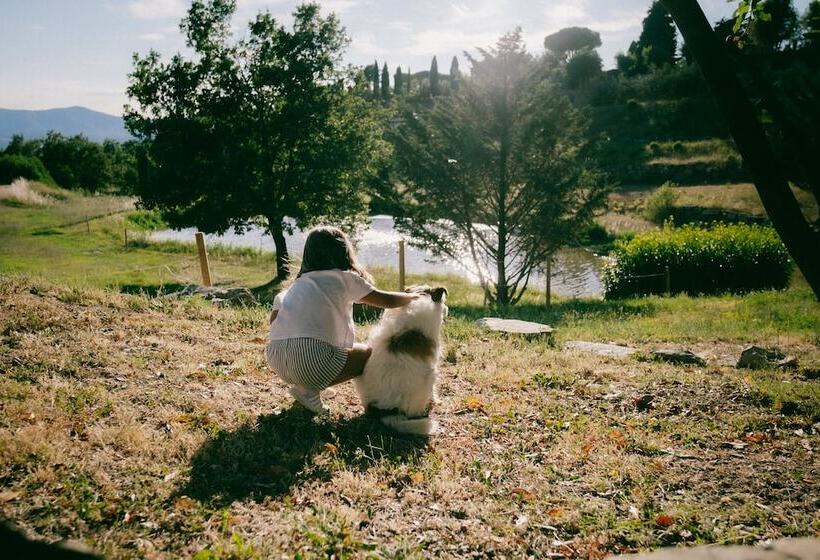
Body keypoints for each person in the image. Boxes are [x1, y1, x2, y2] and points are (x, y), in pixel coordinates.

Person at [266, 226, 418, 414]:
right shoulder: (344, 278)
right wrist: (413, 297)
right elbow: (386, 300)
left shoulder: (294, 286)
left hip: (276, 358)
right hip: (308, 361)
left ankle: (310, 381)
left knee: (320, 353)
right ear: (343, 251)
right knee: (368, 354)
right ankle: (310, 389)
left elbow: (273, 323)